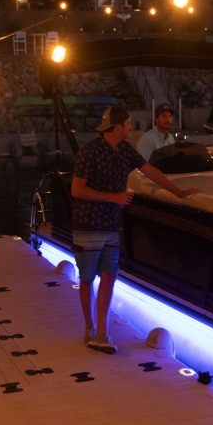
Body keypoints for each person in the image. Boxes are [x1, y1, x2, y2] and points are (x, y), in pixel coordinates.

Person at [71, 105, 197, 354]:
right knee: (87, 278)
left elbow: (151, 171)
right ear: (117, 127)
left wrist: (179, 192)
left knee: (109, 276)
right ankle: (88, 328)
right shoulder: (90, 152)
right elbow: (77, 190)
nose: (131, 127)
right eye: (128, 124)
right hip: (88, 224)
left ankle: (102, 332)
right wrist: (114, 197)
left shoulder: (125, 150)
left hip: (111, 224)